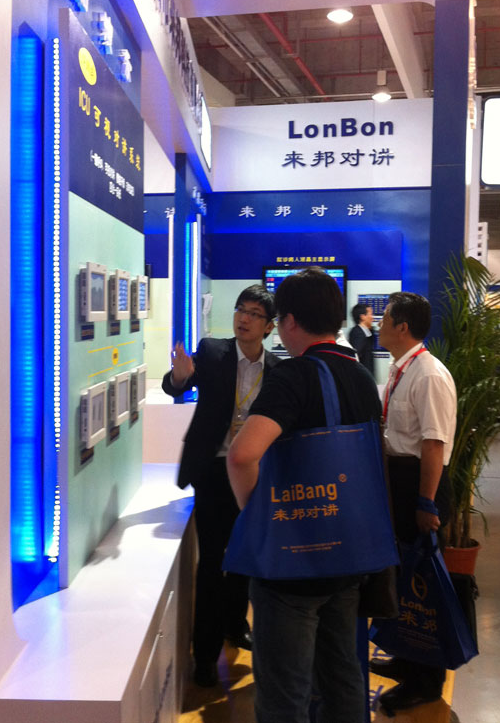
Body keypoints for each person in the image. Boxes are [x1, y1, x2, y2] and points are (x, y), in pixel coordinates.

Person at [227, 267, 382, 723]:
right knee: (343, 677)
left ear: (290, 321)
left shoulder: (293, 376)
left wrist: (257, 516)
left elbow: (242, 455)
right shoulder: (360, 376)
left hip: (293, 562)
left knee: (284, 694)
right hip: (349, 553)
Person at [161, 285, 279, 687]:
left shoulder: (276, 370)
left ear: (269, 326)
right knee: (212, 563)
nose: (244, 318)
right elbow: (176, 383)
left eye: (254, 314)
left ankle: (235, 624)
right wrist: (179, 377)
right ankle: (205, 655)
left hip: (254, 475)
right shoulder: (213, 351)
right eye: (241, 310)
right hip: (213, 472)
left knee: (244, 557)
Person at [369, 291, 457, 714]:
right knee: (405, 580)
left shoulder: (429, 375)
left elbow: (433, 444)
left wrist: (426, 503)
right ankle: (407, 660)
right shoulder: (401, 368)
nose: (379, 324)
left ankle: (426, 681)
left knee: (422, 585)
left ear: (402, 327)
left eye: (385, 318)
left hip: (421, 486)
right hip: (401, 484)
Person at [347, 302, 375, 376]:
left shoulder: (367, 332)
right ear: (363, 317)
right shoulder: (357, 333)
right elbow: (356, 357)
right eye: (370, 314)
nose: (372, 317)